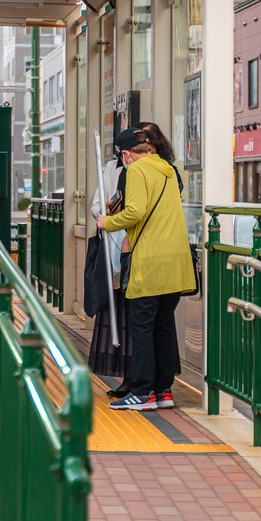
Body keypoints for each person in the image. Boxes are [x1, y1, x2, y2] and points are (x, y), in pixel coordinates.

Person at [97, 126, 197, 412]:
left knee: (141, 329)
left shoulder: (136, 171)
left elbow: (136, 212)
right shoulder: (166, 168)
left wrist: (108, 222)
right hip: (176, 262)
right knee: (163, 327)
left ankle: (142, 393)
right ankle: (163, 390)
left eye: (122, 157)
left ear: (127, 154)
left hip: (150, 261)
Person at [88, 152, 131, 396]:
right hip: (113, 255)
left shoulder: (152, 171)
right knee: (117, 313)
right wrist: (107, 213)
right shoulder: (110, 169)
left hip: (136, 255)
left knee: (134, 318)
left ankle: (135, 378)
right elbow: (96, 208)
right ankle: (124, 377)